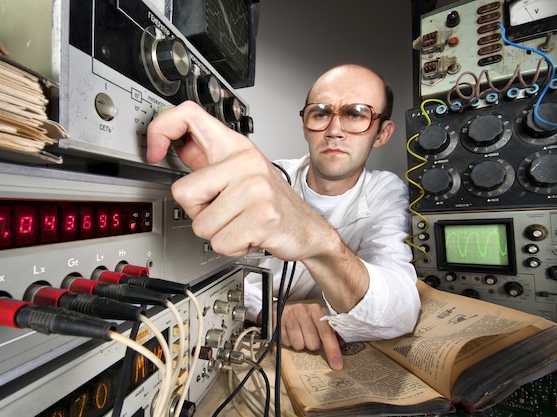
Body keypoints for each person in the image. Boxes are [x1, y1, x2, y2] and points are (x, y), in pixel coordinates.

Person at [146, 63, 421, 371]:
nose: (334, 130)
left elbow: (401, 310)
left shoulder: (385, 190)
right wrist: (269, 310)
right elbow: (215, 277)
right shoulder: (268, 179)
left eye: (355, 114)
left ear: (382, 133)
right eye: (320, 113)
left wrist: (317, 239)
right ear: (304, 125)